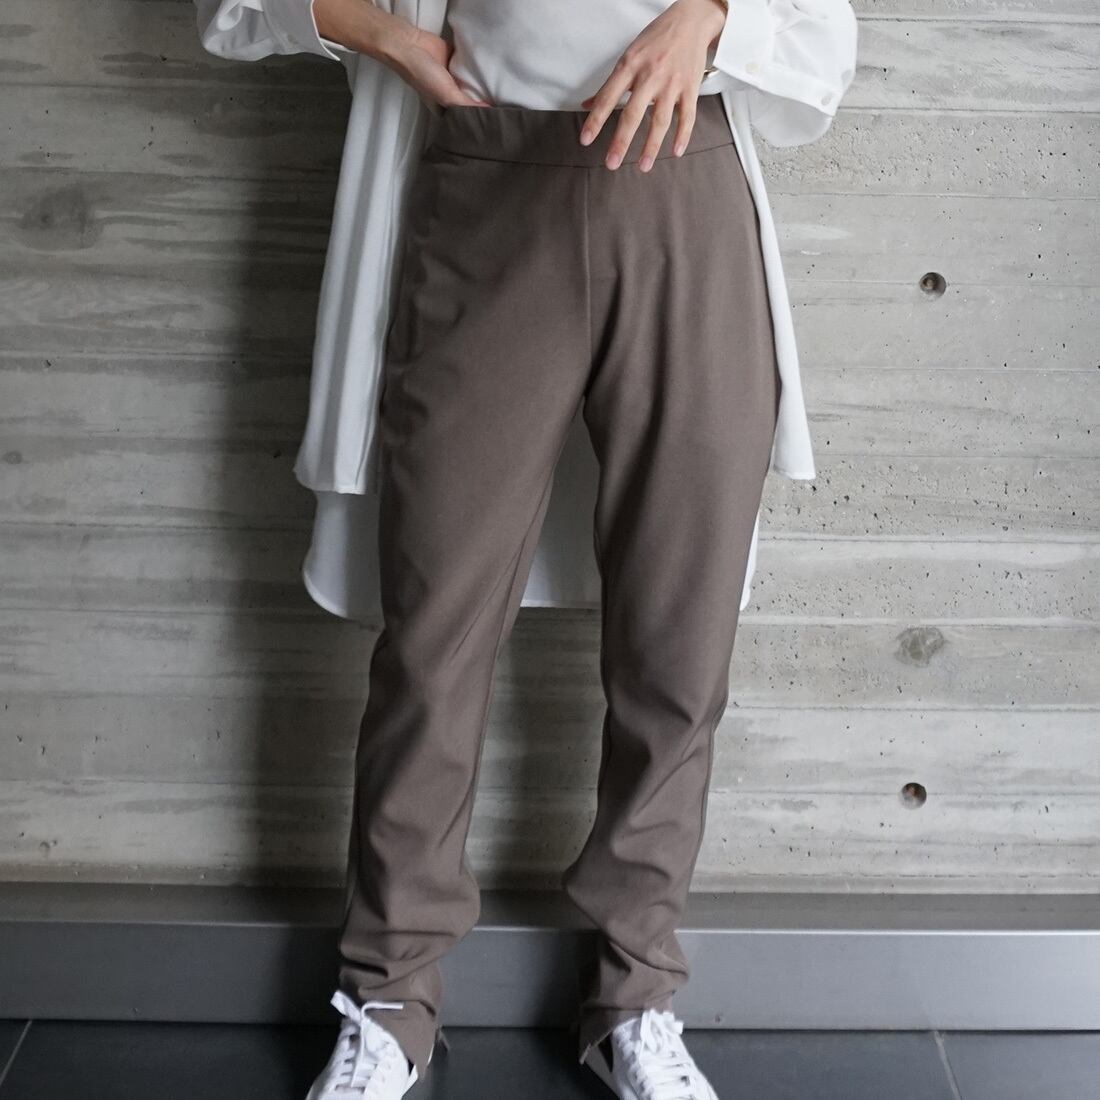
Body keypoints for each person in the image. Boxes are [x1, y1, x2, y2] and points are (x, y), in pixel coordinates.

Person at [193, 1, 858, 1097]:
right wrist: (384, 36)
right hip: (483, 184)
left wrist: (713, 17)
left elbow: (826, 35)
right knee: (434, 634)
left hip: (686, 194)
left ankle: (635, 993)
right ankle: (390, 997)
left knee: (678, 645)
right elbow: (230, 9)